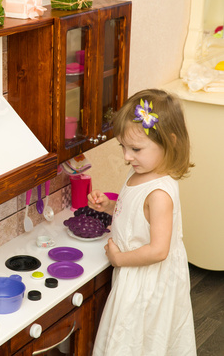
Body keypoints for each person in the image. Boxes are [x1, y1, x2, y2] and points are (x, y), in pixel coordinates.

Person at [89, 89, 197, 355]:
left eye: (135, 149)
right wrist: (111, 206)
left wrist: (118, 259)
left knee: (138, 338)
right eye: (123, 147)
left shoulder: (160, 194)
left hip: (146, 278)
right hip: (134, 271)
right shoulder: (140, 171)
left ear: (169, 142)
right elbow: (137, 213)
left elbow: (159, 250)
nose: (126, 156)